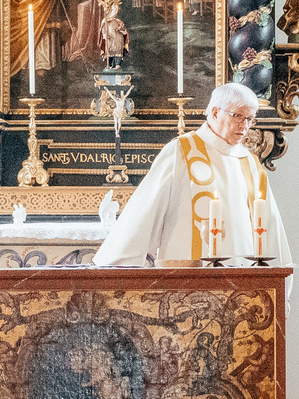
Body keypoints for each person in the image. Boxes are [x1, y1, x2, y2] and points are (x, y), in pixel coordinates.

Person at [92, 83, 276, 266]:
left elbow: (270, 229)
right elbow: (144, 213)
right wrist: (115, 267)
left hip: (244, 281)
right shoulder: (181, 151)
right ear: (214, 112)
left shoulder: (250, 162)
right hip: (185, 281)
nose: (245, 126)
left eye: (250, 119)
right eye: (238, 116)